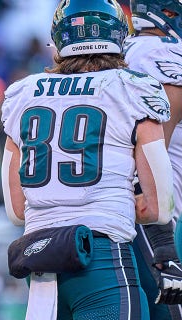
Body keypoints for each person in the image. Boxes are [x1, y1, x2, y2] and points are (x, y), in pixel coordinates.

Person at [1, 0, 175, 318]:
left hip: (40, 261)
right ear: (119, 35)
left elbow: (15, 210)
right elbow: (160, 207)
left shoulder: (23, 92)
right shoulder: (133, 89)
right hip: (102, 259)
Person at [124, 0, 182, 317]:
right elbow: (146, 156)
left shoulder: (122, 48)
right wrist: (163, 242)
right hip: (156, 222)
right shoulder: (164, 55)